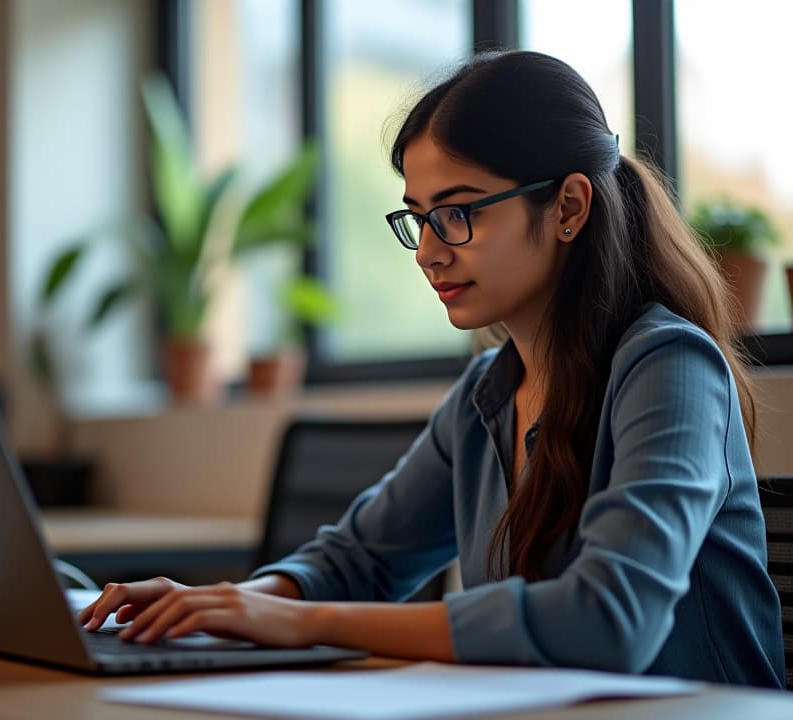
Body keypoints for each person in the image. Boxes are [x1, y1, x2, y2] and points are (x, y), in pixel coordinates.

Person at [79, 50, 785, 687]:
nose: (427, 252)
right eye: (418, 217)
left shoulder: (670, 369)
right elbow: (358, 563)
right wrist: (218, 606)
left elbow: (608, 622)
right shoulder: (487, 396)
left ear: (568, 206)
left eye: (458, 213)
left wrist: (306, 622)